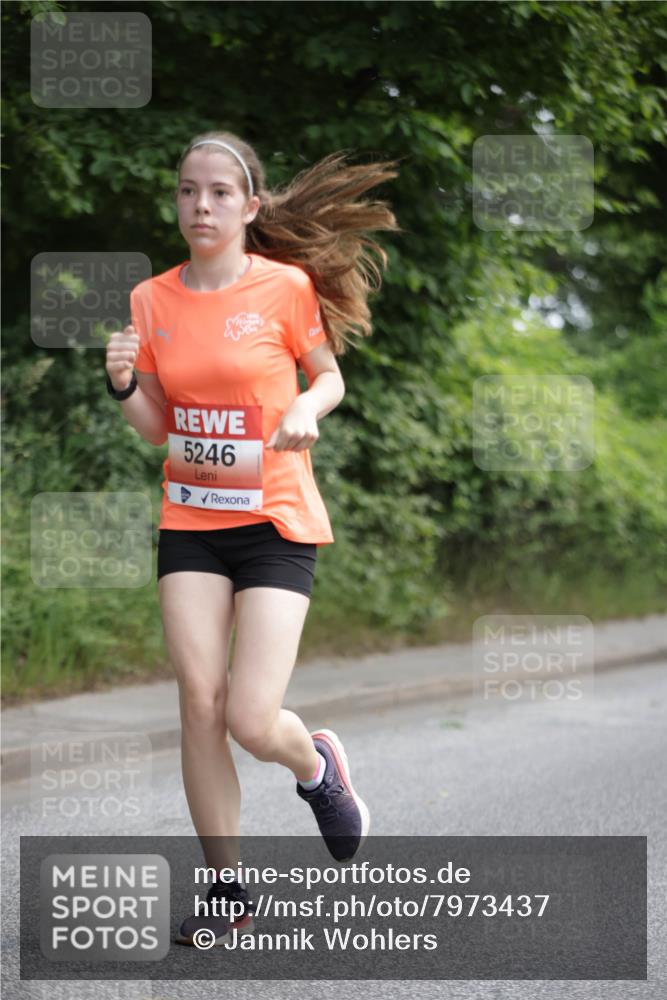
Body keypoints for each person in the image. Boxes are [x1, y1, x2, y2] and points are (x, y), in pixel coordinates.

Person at [105, 130, 401, 946]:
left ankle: (315, 766)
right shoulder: (150, 300)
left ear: (250, 205)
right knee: (198, 705)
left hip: (274, 520)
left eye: (219, 193)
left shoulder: (286, 288)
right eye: (187, 191)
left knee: (247, 715)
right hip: (191, 521)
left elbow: (329, 373)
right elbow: (156, 428)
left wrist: (306, 406)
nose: (200, 206)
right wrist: (123, 383)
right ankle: (227, 888)